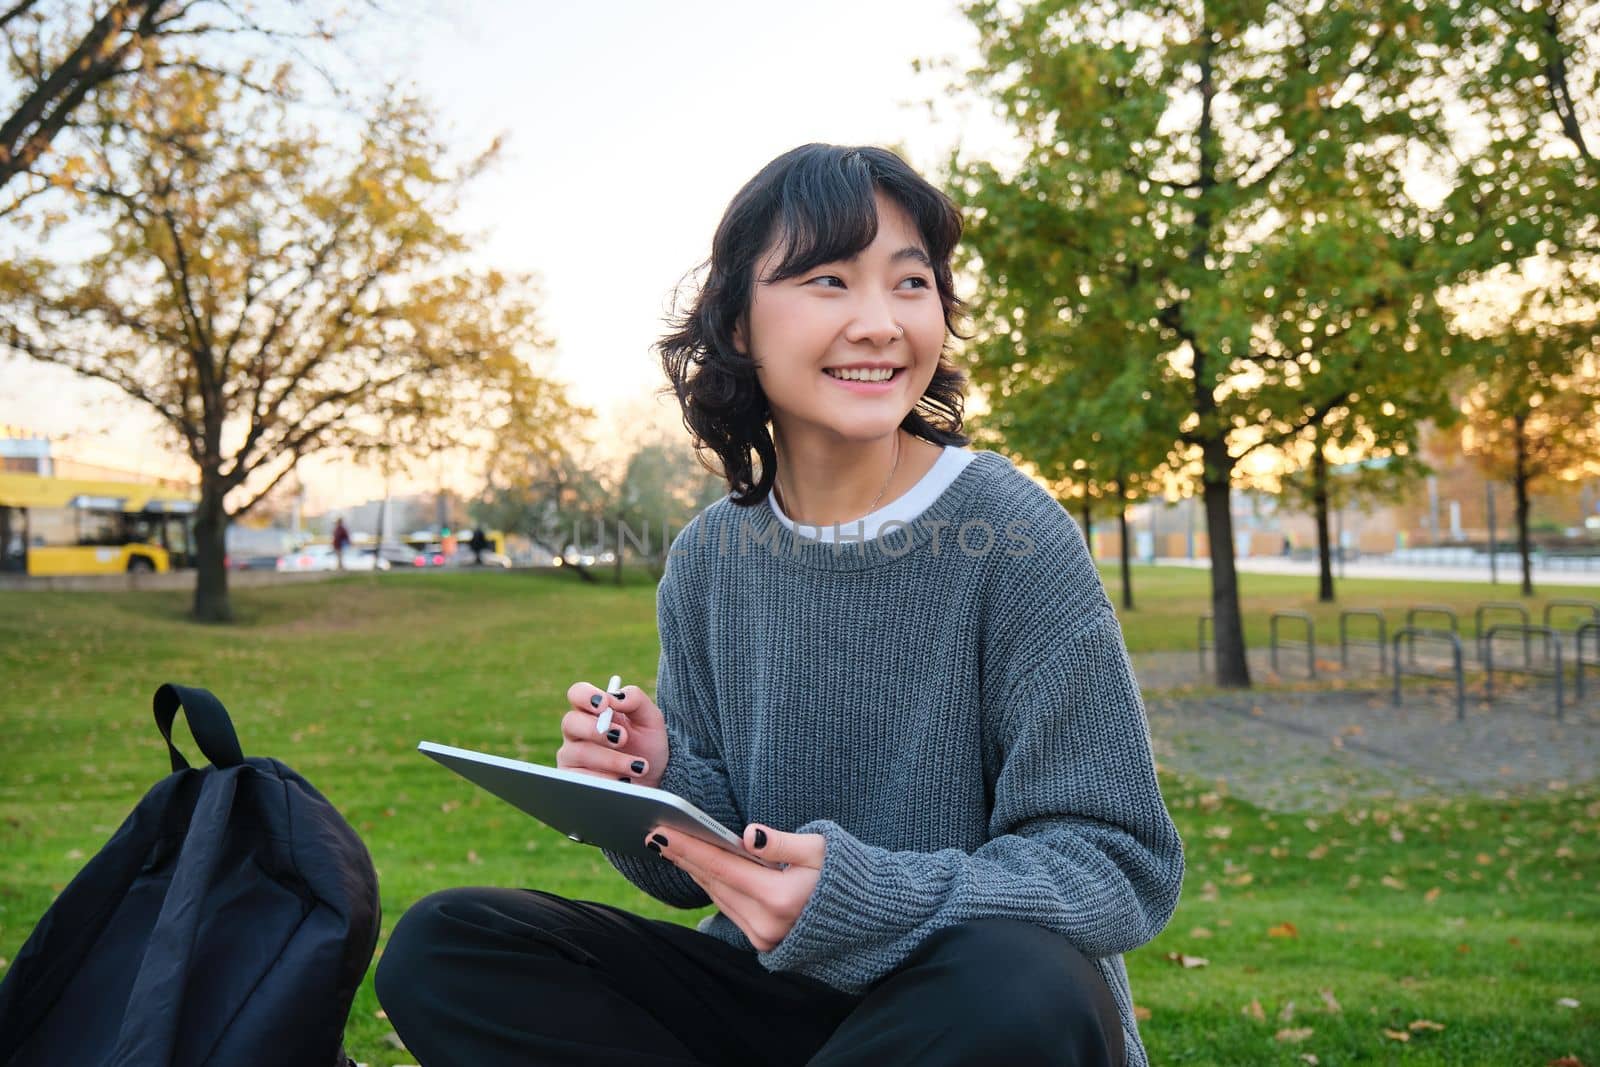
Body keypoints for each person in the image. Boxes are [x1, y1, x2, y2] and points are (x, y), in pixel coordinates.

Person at [376, 144, 1184, 1066]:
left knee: (1027, 980)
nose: (879, 323)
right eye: (829, 281)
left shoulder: (1011, 533)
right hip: (765, 1001)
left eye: (910, 284)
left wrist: (860, 896)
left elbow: (1116, 862)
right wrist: (656, 776)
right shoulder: (710, 557)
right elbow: (698, 872)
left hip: (964, 1009)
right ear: (740, 327)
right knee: (450, 944)